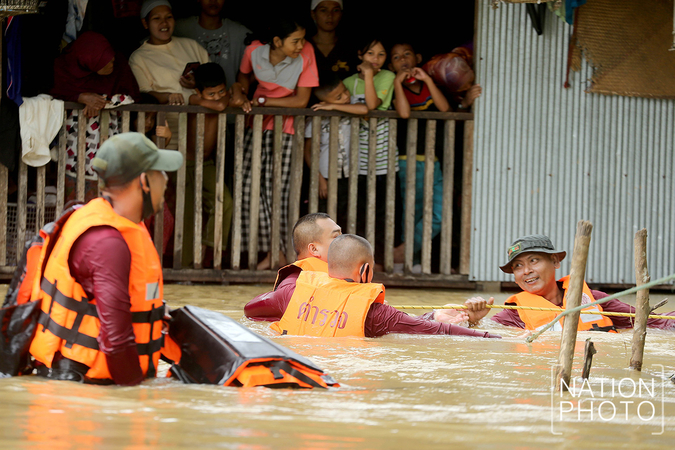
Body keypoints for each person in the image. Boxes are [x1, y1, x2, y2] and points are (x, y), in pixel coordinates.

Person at [28, 132, 184, 385]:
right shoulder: (107, 244)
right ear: (144, 181)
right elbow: (117, 342)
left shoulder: (107, 220)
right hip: (81, 389)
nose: (166, 180)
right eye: (160, 172)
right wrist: (139, 398)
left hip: (79, 382)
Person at [269, 234, 500, 338]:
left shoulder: (292, 293)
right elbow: (434, 331)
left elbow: (254, 310)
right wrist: (490, 335)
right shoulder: (377, 313)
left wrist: (435, 315)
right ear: (365, 271)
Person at [230, 17, 319, 270]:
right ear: (277, 41)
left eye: (302, 39)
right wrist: (239, 93)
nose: (301, 45)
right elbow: (242, 78)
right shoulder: (253, 51)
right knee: (251, 190)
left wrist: (261, 103)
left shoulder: (306, 52)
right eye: (295, 40)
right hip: (256, 126)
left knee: (280, 193)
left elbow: (301, 101)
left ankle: (284, 254)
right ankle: (272, 251)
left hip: (287, 128)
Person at [463, 235, 675, 331]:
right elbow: (479, 336)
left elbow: (654, 323)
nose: (526, 271)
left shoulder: (595, 300)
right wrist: (473, 322)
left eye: (533, 261)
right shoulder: (513, 314)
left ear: (555, 261)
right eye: (518, 266)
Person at [50, 31, 141, 202]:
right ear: (89, 62)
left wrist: (103, 102)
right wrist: (79, 97)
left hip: (109, 142)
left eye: (111, 59)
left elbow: (133, 94)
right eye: (105, 62)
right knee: (75, 197)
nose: (112, 63)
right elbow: (52, 93)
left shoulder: (119, 65)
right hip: (73, 146)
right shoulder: (64, 67)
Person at [343, 36, 402, 268]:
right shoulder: (348, 82)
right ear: (360, 55)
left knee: (383, 212)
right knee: (357, 211)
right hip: (355, 158)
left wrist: (368, 75)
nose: (376, 59)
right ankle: (357, 260)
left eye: (381, 54)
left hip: (383, 157)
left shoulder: (387, 76)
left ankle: (380, 259)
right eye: (370, 53)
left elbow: (372, 105)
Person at [390, 41, 450, 270]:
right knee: (411, 214)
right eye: (396, 57)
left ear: (418, 58)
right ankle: (411, 262)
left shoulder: (428, 85)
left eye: (407, 54)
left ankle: (402, 253)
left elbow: (444, 108)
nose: (403, 60)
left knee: (439, 213)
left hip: (433, 160)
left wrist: (427, 80)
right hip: (409, 161)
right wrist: (397, 82)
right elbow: (404, 113)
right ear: (391, 66)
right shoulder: (394, 89)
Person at [244, 212, 341, 321]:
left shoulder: (348, 277)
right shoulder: (292, 287)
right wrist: (285, 297)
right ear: (314, 249)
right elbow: (249, 310)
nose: (345, 241)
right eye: (336, 237)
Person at [184, 62, 233, 266]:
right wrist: (231, 93)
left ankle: (208, 253)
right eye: (211, 94)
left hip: (207, 164)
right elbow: (221, 106)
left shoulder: (221, 97)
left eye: (221, 91)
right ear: (198, 91)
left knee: (225, 202)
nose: (217, 97)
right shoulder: (194, 99)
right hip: (187, 165)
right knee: (187, 215)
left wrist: (236, 90)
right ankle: (185, 266)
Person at [305, 73, 368, 226]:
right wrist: (320, 179)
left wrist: (334, 106)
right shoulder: (316, 119)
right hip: (327, 176)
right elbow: (308, 152)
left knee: (351, 215)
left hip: (351, 174)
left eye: (345, 90)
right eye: (338, 97)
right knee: (326, 217)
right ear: (323, 102)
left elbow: (364, 109)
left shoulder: (352, 105)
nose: (346, 96)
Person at [129, 0, 209, 111]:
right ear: (145, 23)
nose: (164, 23)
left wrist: (198, 83)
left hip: (203, 116)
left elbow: (214, 78)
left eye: (169, 17)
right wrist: (168, 96)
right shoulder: (138, 57)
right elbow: (143, 93)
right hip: (167, 119)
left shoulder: (192, 45)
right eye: (157, 18)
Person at [173, 0, 251, 91]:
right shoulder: (180, 29)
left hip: (228, 97)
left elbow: (261, 63)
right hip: (189, 97)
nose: (213, 1)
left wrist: (240, 90)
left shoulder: (239, 33)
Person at [309, 0, 357, 77]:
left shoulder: (350, 48)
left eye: (335, 10)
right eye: (323, 10)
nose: (330, 15)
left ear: (341, 14)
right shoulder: (303, 47)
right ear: (313, 14)